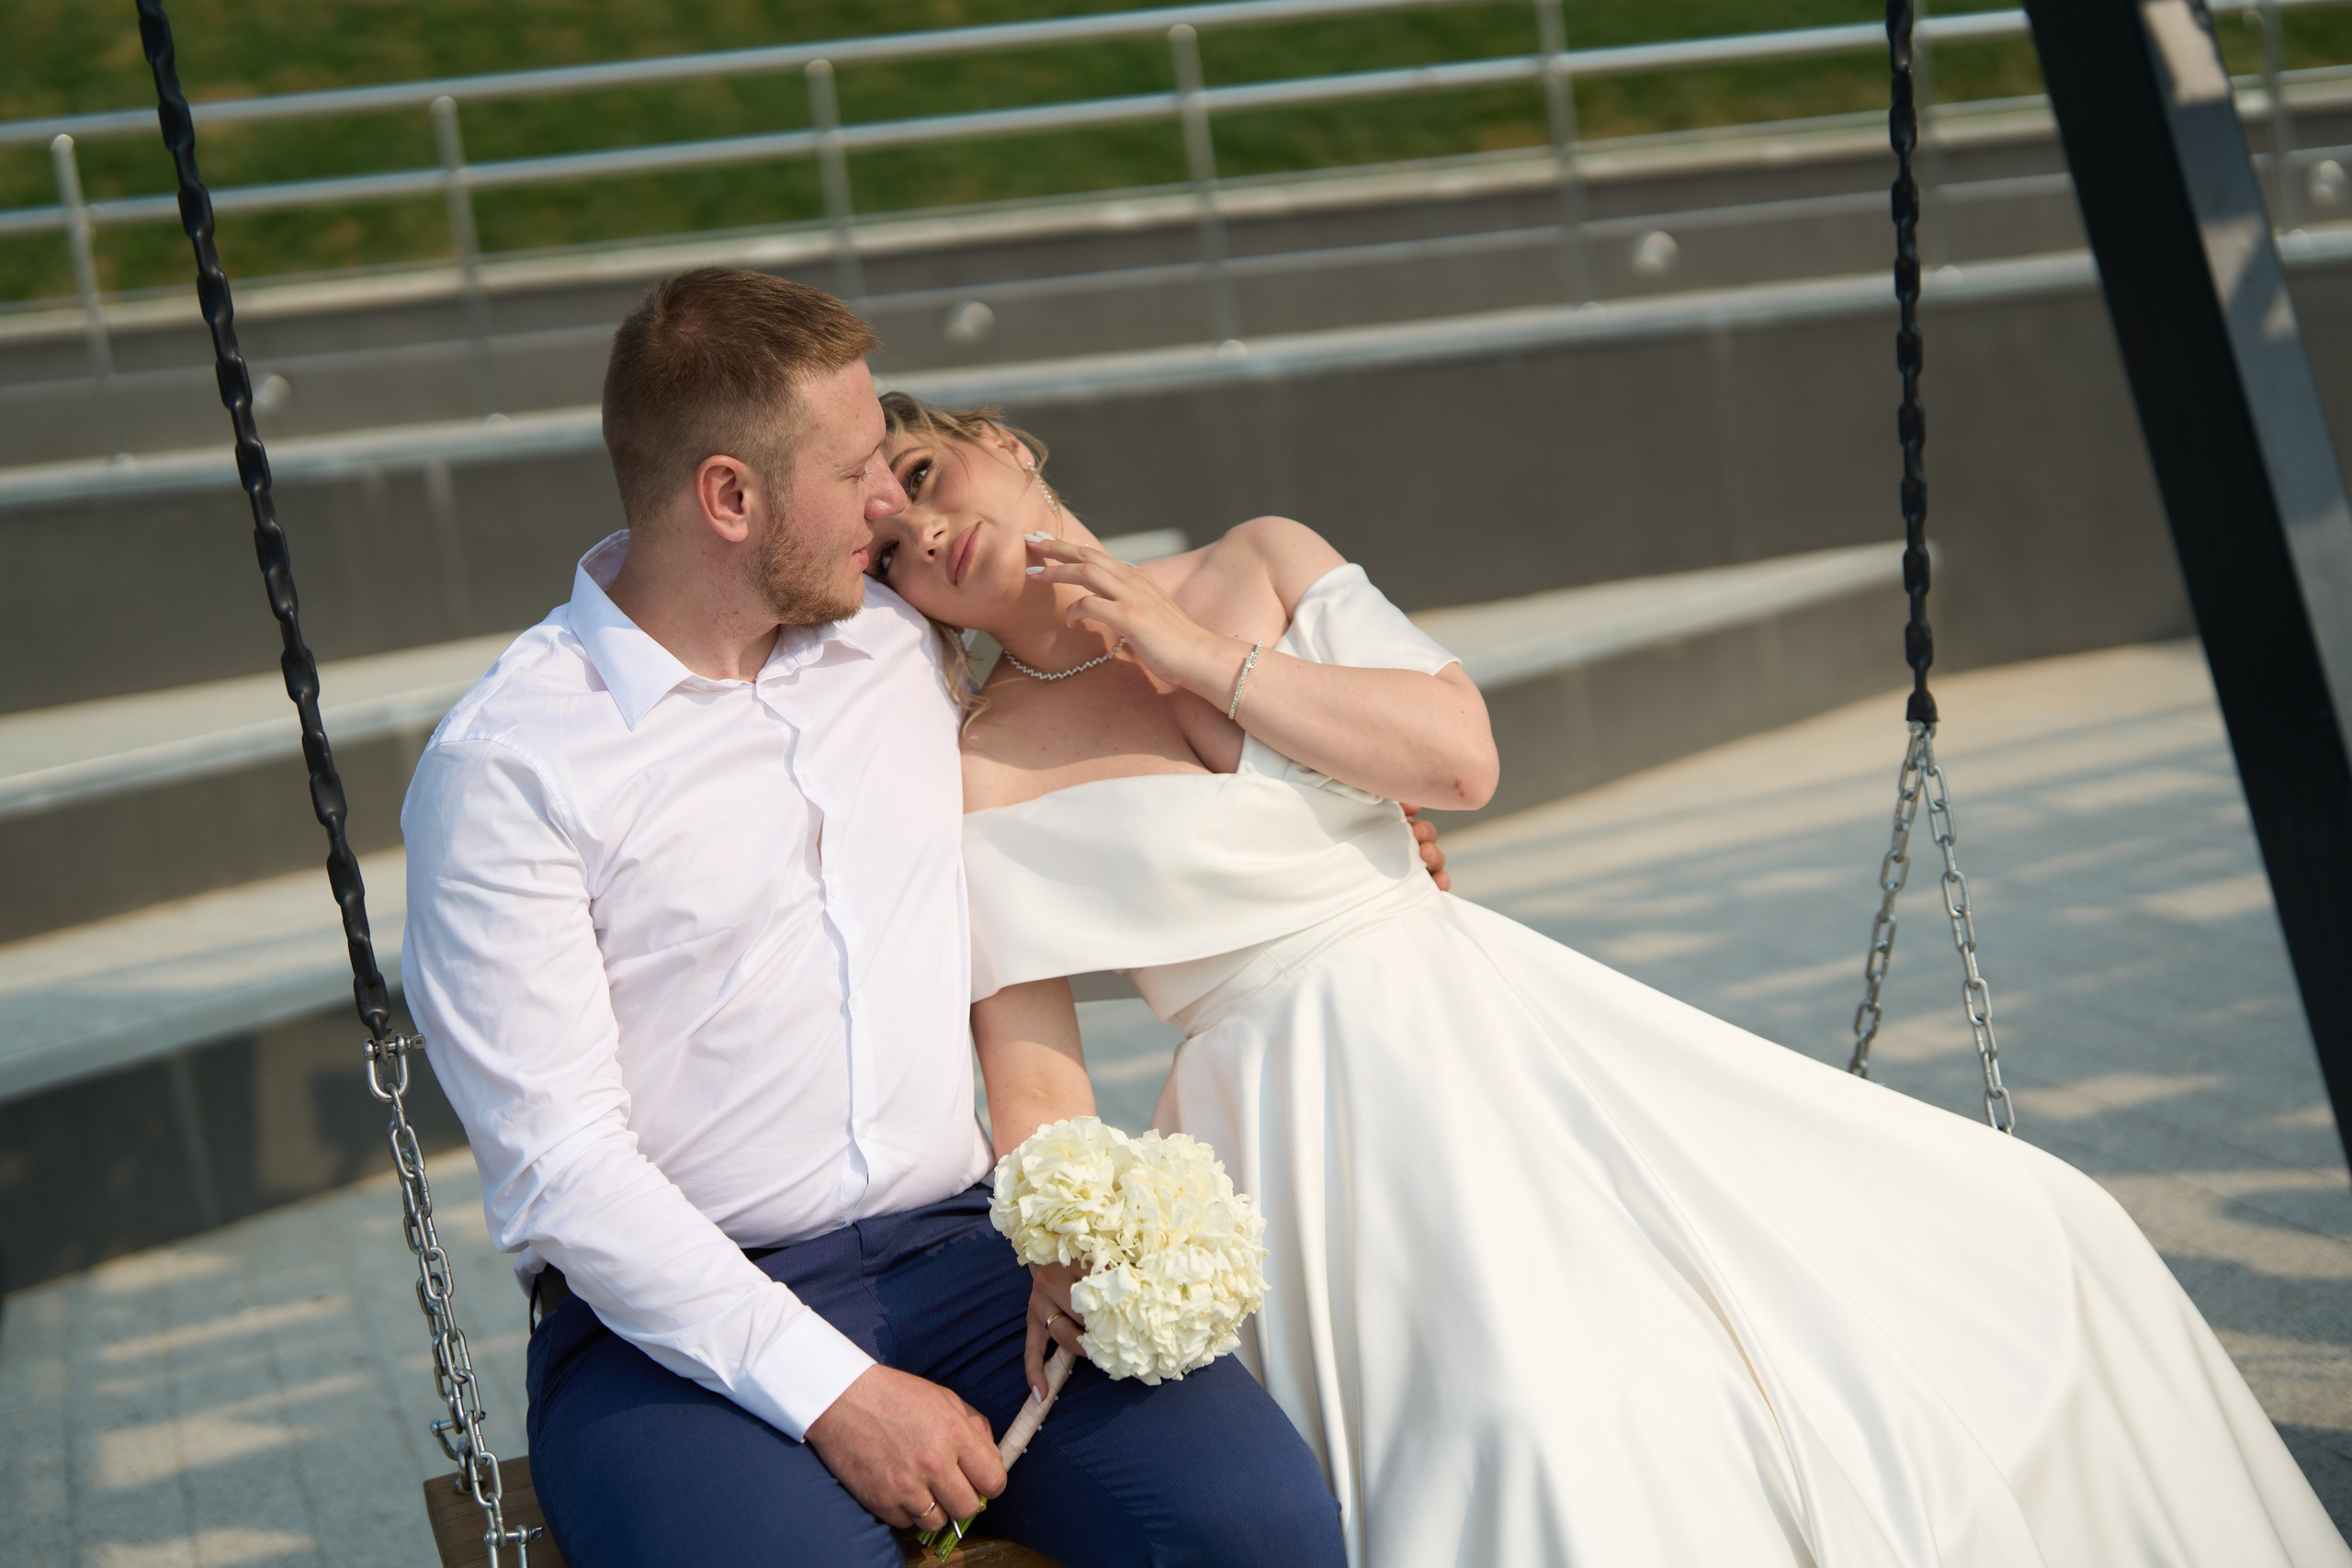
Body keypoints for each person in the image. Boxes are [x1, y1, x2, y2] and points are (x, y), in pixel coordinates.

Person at [865, 389, 2352, 1568]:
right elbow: (1035, 1070)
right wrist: (1075, 1235)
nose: (922, 536)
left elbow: (1460, 759)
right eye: (883, 550)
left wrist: (1189, 651)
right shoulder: (976, 769)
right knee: (1524, 1424)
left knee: (2029, 1230)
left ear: (996, 444)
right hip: (1298, 1122)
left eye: (923, 480)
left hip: (1494, 1022)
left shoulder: (1256, 560)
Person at [398, 268, 1349, 1568]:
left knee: (1261, 1525)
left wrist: (1336, 803)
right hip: (666, 1325)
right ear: (729, 496)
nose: (890, 505)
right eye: (855, 475)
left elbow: (1089, 653)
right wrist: (831, 1389)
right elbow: (560, 1167)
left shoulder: (898, 643)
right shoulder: (509, 768)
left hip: (968, 1264)